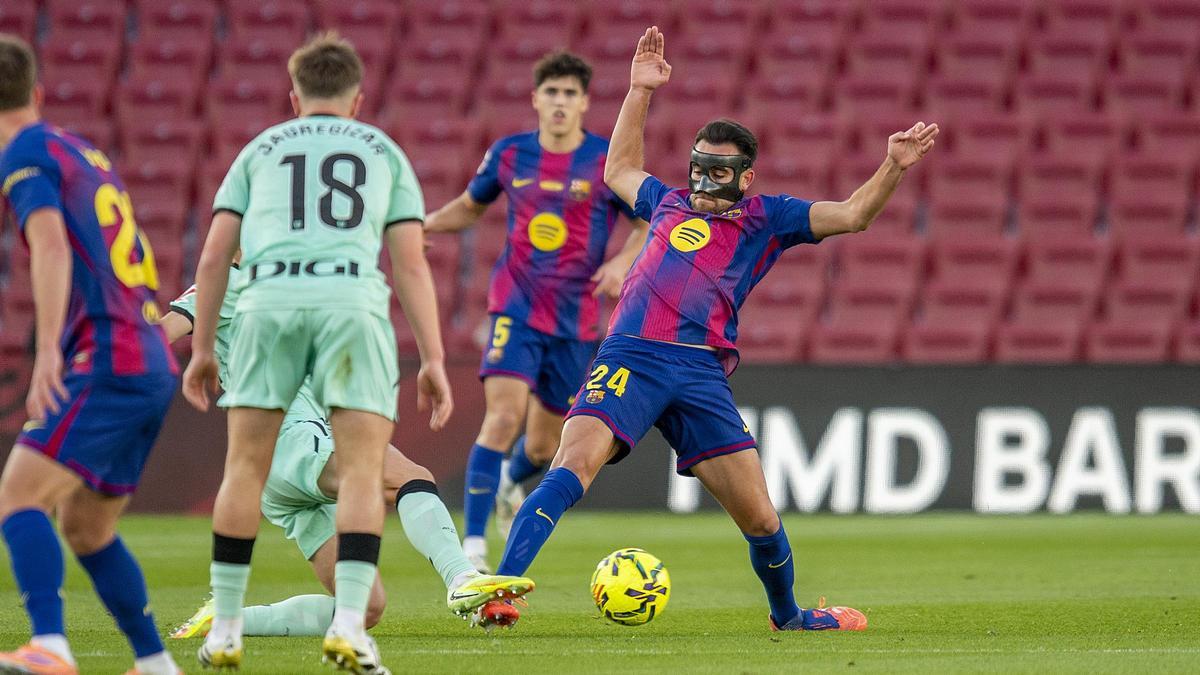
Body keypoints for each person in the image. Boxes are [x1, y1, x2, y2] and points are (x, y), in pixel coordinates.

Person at [495, 27, 939, 631]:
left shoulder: (770, 218)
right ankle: (500, 592)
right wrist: (638, 91)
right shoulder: (665, 201)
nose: (704, 183)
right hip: (632, 354)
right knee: (572, 466)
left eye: (719, 173)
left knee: (759, 517)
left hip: (702, 370)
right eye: (699, 169)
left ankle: (789, 617)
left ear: (745, 177)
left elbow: (854, 215)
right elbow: (619, 168)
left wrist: (892, 165)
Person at [182, 33, 451, 673]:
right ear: (357, 99)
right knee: (362, 471)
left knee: (244, 468)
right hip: (351, 307)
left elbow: (215, 255)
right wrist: (434, 358)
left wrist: (200, 350)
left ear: (293, 93)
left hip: (270, 303)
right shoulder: (382, 151)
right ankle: (352, 628)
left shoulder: (258, 150)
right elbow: (410, 263)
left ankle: (224, 627)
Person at [163, 273, 533, 640]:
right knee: (409, 477)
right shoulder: (226, 280)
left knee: (365, 607)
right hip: (290, 436)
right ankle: (462, 578)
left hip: (281, 465)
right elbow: (165, 330)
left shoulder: (291, 278)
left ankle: (228, 621)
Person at [0, 35, 182, 675]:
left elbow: (50, 247)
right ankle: (155, 663)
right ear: (38, 93)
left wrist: (48, 349)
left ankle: (50, 646)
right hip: (149, 356)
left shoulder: (23, 154)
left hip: (108, 356)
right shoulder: (75, 148)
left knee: (18, 494)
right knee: (86, 527)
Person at [424, 51, 647, 574]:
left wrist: (620, 262)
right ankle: (473, 551)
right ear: (536, 99)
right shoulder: (508, 155)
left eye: (571, 93)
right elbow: (469, 206)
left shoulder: (604, 162)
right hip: (515, 305)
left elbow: (646, 222)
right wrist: (425, 225)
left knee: (546, 445)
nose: (561, 102)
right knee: (501, 416)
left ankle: (506, 480)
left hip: (574, 319)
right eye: (552, 92)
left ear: (586, 103)